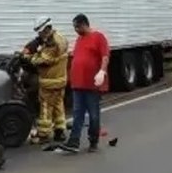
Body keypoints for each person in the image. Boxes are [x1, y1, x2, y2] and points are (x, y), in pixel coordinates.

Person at [58, 13, 109, 154]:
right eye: (75, 27)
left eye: (77, 27)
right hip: (78, 84)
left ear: (85, 24)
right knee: (77, 113)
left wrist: (102, 71)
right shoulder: (79, 39)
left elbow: (105, 56)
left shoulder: (98, 37)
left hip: (91, 84)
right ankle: (74, 141)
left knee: (93, 114)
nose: (76, 30)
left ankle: (93, 140)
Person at [25, 16, 69, 144]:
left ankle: (43, 135)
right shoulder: (60, 37)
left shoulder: (52, 43)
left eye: (41, 32)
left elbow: (42, 60)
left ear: (47, 28)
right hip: (60, 79)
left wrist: (29, 58)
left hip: (50, 81)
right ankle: (60, 132)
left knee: (45, 107)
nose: (40, 35)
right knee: (58, 105)